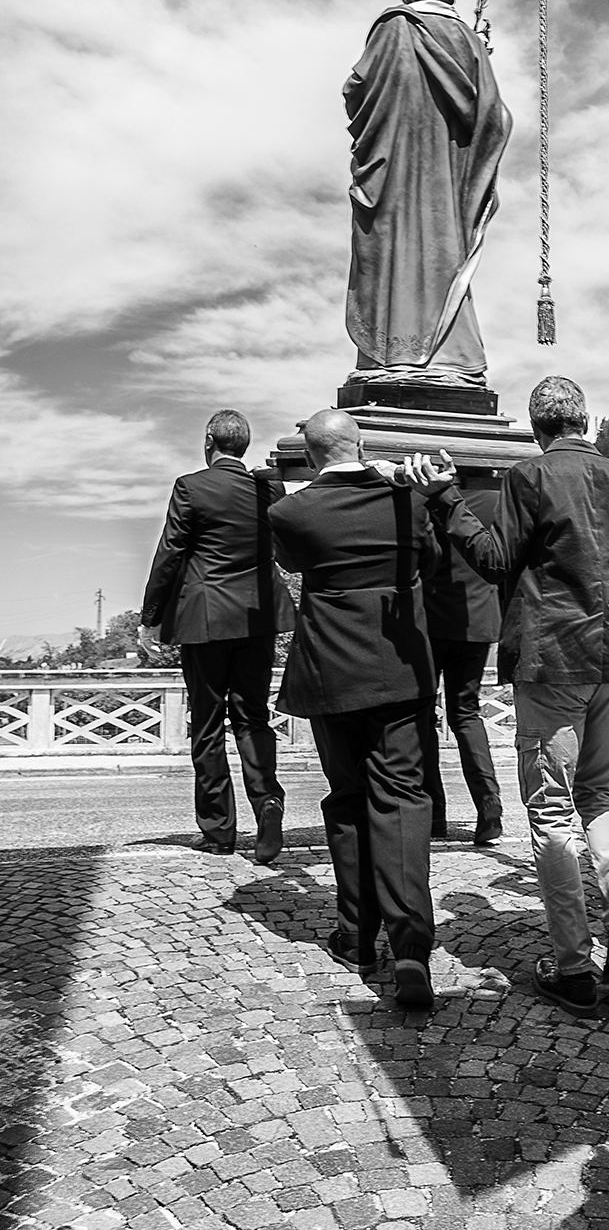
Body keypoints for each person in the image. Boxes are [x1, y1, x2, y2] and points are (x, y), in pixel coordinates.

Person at [404, 376, 609, 1019]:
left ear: (536, 428)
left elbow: (496, 560)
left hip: (556, 656)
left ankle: (575, 966)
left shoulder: (530, 477)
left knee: (552, 810)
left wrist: (447, 500)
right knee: (599, 793)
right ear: (588, 419)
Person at [269, 410, 440, 1010]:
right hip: (399, 665)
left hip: (329, 670)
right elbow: (432, 563)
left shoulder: (289, 512)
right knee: (402, 796)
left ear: (313, 455)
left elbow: (292, 566)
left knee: (346, 799)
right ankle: (412, 947)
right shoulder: (407, 501)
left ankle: (357, 936)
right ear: (361, 442)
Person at [344, 0, 512, 387]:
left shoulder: (394, 27)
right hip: (448, 179)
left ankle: (393, 354)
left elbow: (357, 88)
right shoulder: (467, 38)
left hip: (395, 168)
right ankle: (453, 357)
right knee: (443, 254)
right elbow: (492, 114)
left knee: (394, 251)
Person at [140, 410, 294, 862]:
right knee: (252, 717)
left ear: (209, 440)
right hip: (257, 616)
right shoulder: (267, 488)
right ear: (244, 445)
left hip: (205, 619)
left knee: (207, 724)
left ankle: (218, 831)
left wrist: (150, 616)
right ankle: (267, 801)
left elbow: (170, 553)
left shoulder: (191, 487)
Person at [421, 479, 506, 847]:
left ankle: (433, 813)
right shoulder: (498, 501)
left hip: (430, 620)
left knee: (423, 715)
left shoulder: (422, 501)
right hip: (479, 618)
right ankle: (489, 805)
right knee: (466, 714)